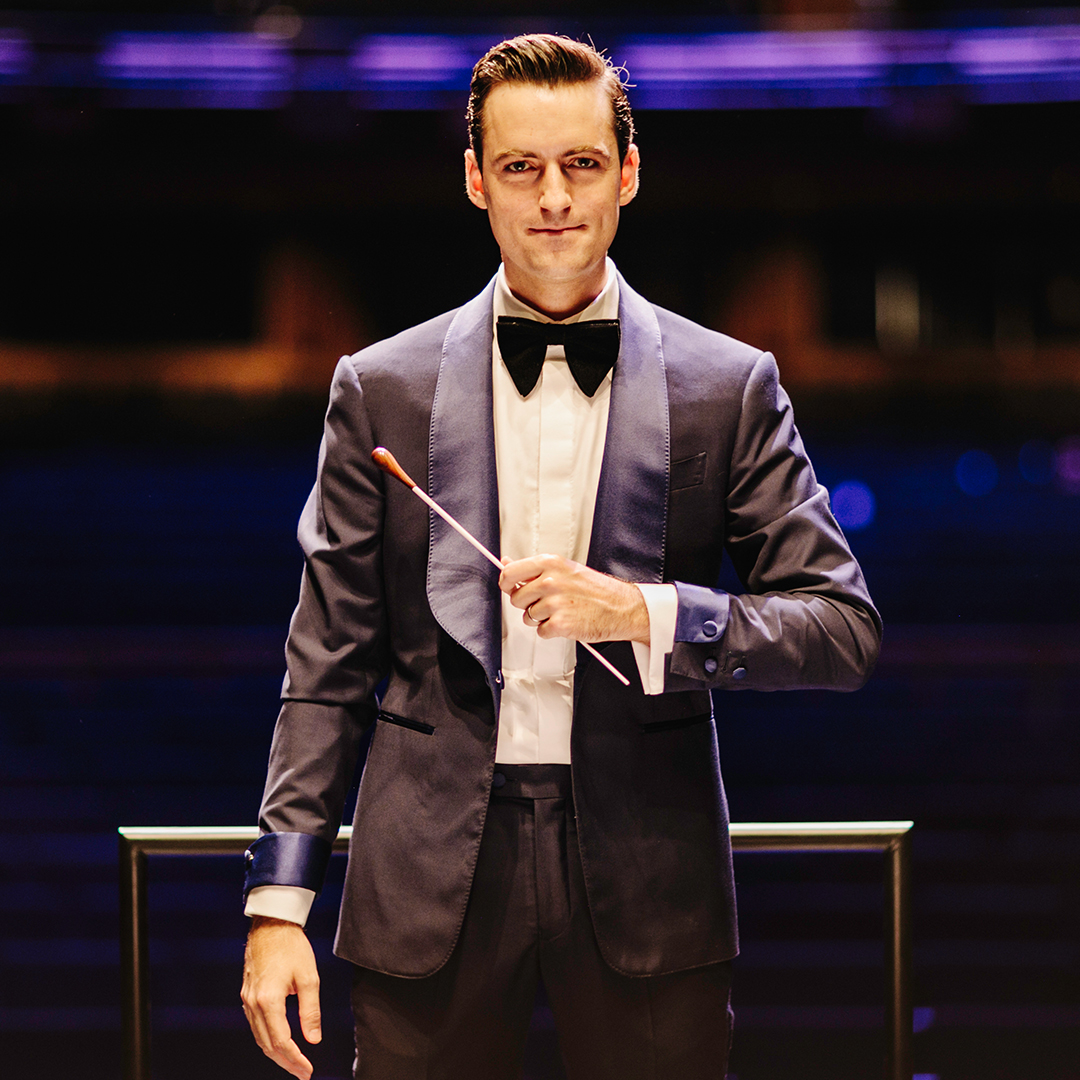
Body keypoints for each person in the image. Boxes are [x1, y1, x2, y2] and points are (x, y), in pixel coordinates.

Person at [240, 33, 880, 1080]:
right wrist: (278, 904)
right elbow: (324, 671)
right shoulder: (377, 388)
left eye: (581, 164)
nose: (553, 198)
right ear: (474, 180)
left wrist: (645, 613)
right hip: (426, 879)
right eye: (520, 167)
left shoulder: (732, 384)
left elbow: (841, 629)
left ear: (628, 172)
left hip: (649, 877)